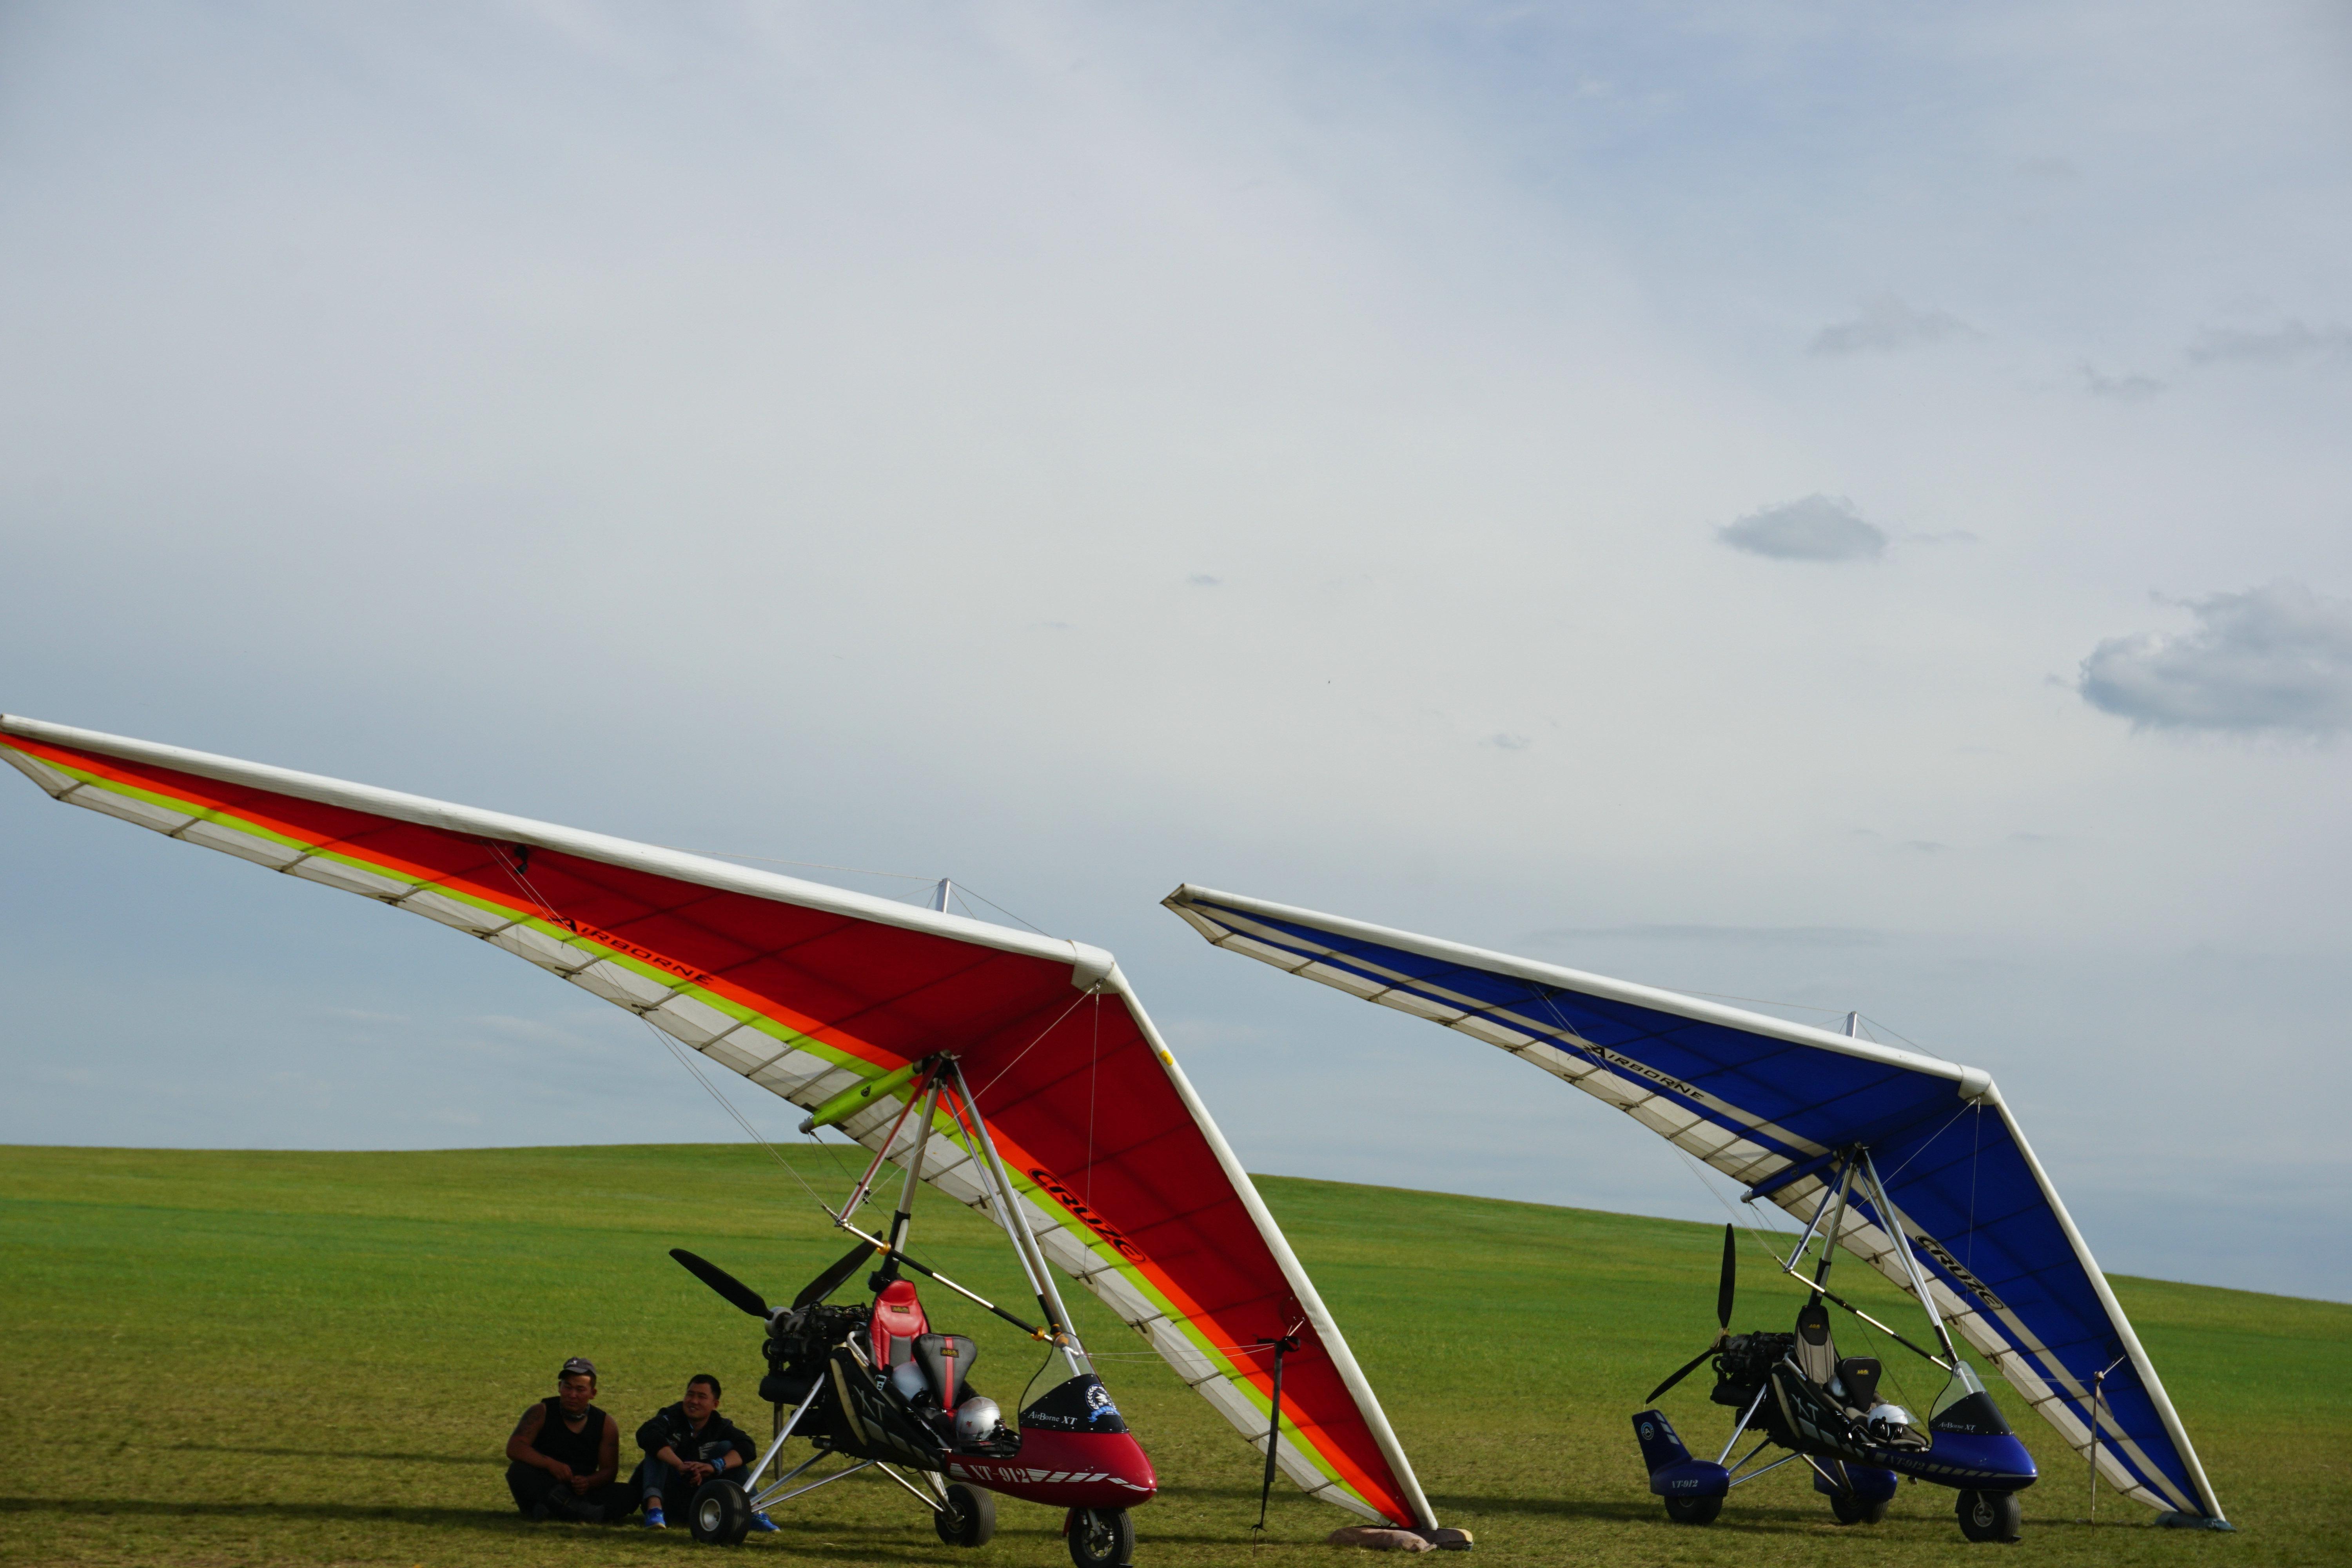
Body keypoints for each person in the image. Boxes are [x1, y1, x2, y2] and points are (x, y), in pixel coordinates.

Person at [632, 1373, 772, 1532]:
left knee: (728, 1448)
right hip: (669, 1494)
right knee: (657, 1445)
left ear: (715, 1404)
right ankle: (654, 1510)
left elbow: (748, 1447)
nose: (694, 1401)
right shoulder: (670, 1417)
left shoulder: (719, 1425)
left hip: (702, 1501)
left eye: (702, 1397)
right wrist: (680, 1466)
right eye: (690, 1395)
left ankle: (753, 1511)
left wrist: (713, 1467)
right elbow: (647, 1434)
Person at [505, 1357, 631, 1523]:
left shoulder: (605, 1424)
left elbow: (609, 1471)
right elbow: (515, 1448)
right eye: (568, 1387)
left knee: (630, 1493)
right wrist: (551, 1465)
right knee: (519, 1471)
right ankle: (580, 1512)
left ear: (592, 1394)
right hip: (547, 1483)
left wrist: (588, 1482)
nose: (573, 1395)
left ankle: (557, 1511)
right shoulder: (541, 1412)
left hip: (581, 1490)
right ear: (559, 1387)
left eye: (580, 1390)